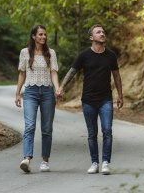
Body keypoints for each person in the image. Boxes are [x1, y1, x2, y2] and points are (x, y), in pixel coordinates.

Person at [56, 24, 123, 175]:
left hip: (105, 99)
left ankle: (105, 162)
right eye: (98, 32)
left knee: (107, 131)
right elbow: (72, 72)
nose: (102, 33)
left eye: (103, 31)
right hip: (88, 101)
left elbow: (117, 76)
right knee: (92, 133)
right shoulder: (84, 55)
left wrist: (120, 95)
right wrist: (61, 87)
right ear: (91, 37)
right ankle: (94, 162)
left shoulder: (111, 56)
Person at [15, 24, 60, 173]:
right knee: (30, 125)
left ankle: (45, 161)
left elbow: (53, 72)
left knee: (47, 129)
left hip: (47, 92)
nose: (43, 37)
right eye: (40, 34)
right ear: (33, 36)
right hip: (30, 92)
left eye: (45, 35)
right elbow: (22, 73)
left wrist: (57, 88)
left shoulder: (51, 53)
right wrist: (18, 93)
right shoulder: (25, 52)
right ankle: (27, 159)